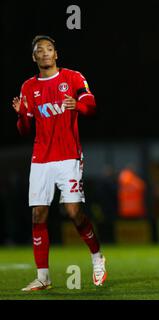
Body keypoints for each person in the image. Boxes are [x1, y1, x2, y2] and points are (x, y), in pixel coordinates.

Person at [12, 35, 107, 291]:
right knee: (38, 215)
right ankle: (43, 277)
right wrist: (22, 114)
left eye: (49, 49)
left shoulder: (72, 77)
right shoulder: (29, 87)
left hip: (68, 156)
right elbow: (24, 129)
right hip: (41, 157)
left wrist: (79, 105)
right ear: (34, 57)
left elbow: (92, 104)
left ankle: (97, 257)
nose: (45, 53)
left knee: (74, 212)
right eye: (39, 51)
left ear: (56, 54)